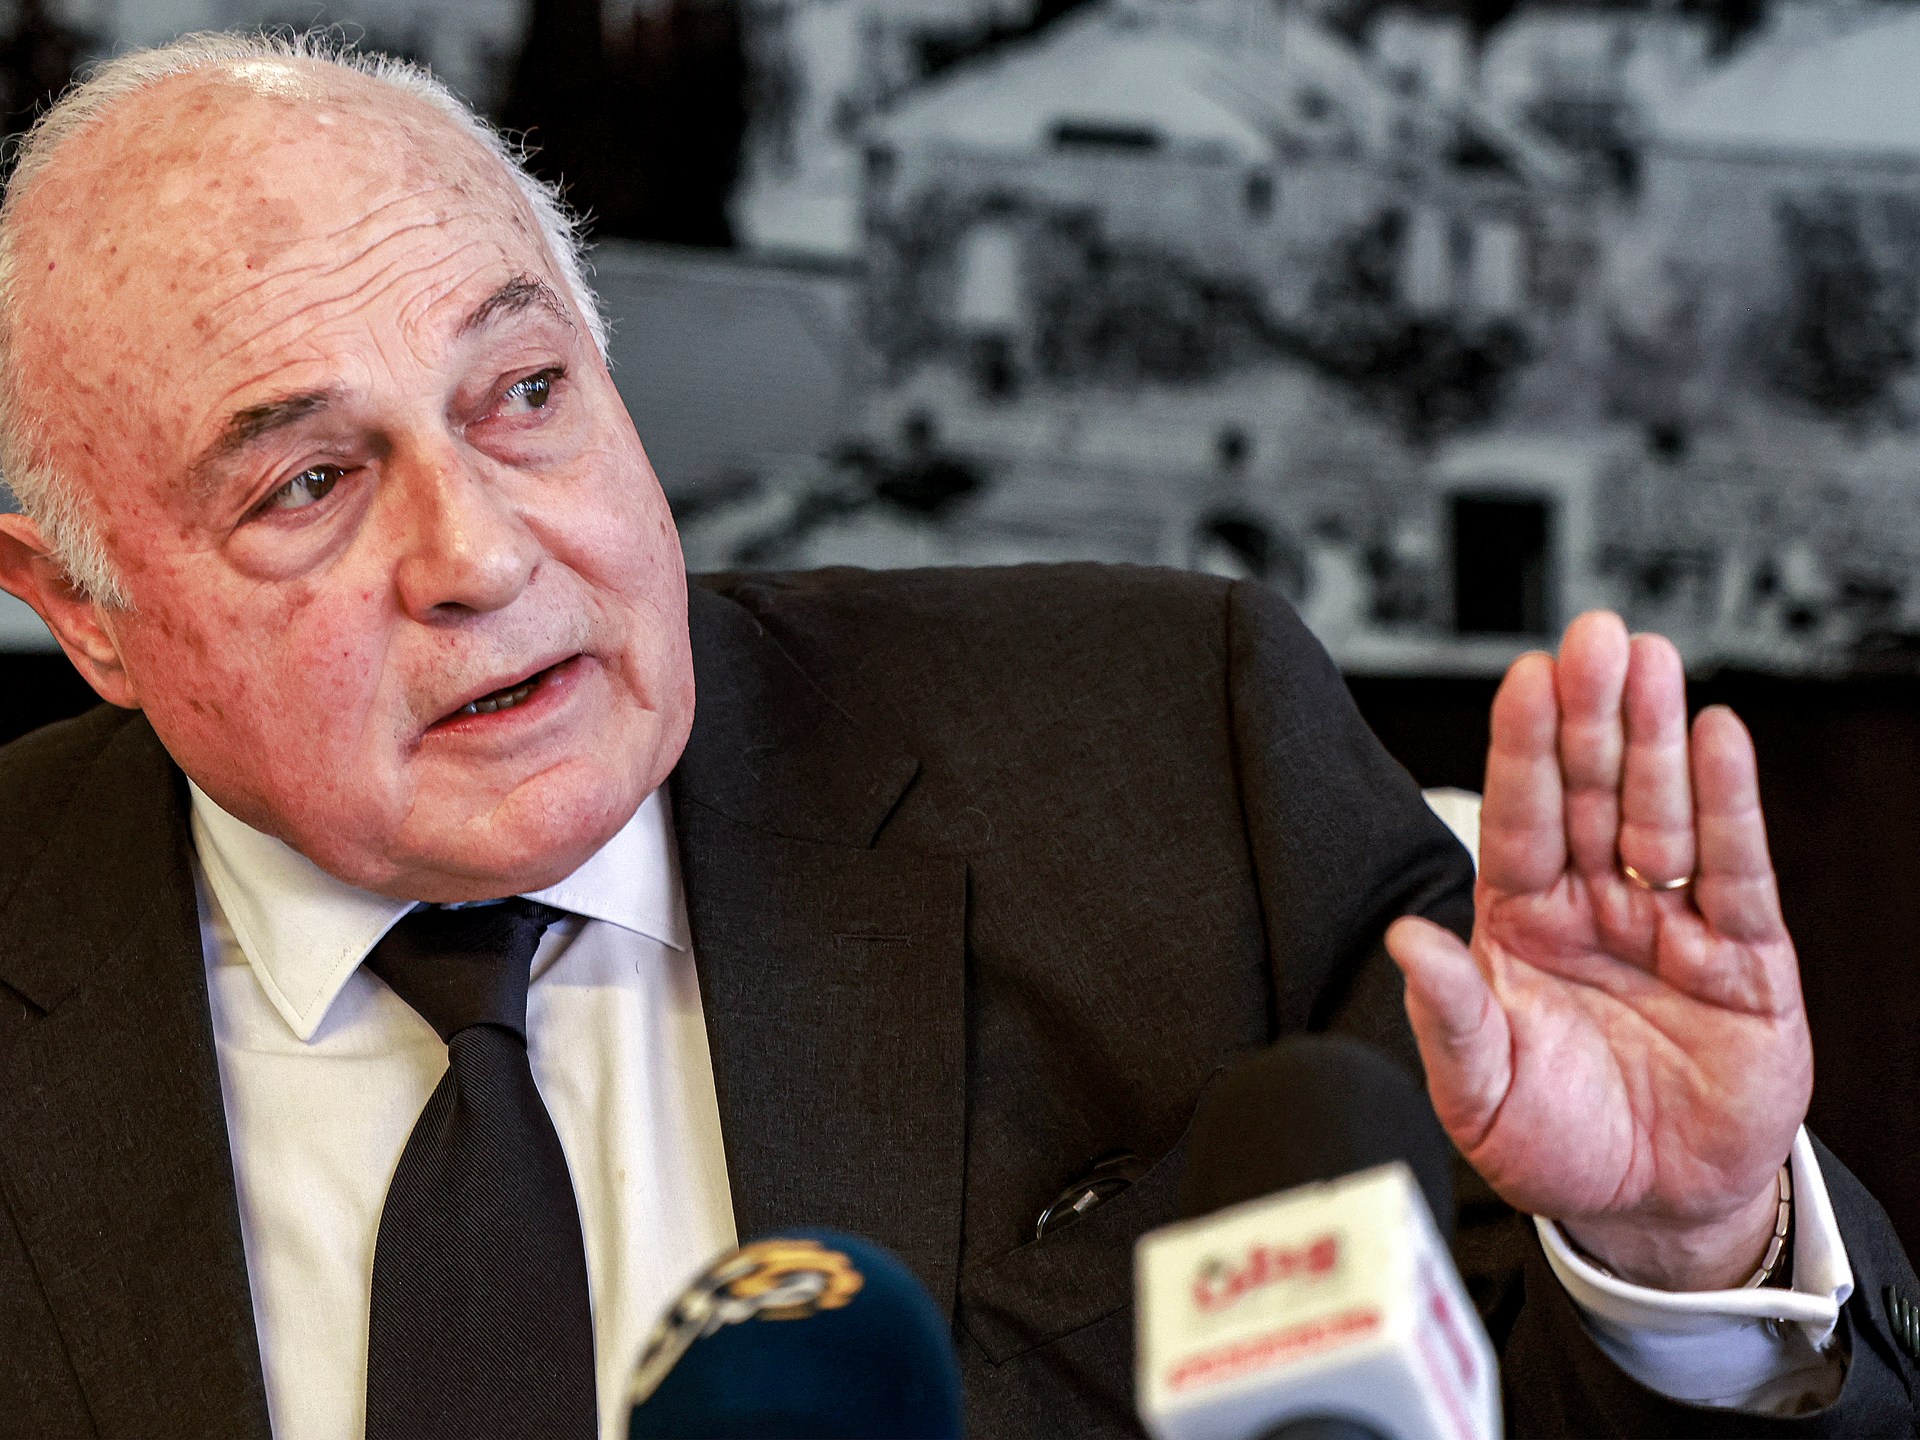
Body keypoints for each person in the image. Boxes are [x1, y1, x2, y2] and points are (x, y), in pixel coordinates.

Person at [0, 32, 1912, 1440]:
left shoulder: (1168, 762)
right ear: (79, 606)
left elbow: (1518, 1387)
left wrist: (1682, 1256)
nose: (482, 555)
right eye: (311, 482)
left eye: (523, 393)